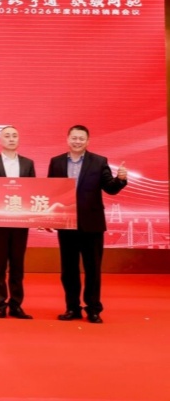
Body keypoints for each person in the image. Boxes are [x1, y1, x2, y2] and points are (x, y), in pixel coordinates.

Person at [47, 125, 127, 324]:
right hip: (66, 224)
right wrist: (47, 218)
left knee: (93, 269)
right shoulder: (56, 162)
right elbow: (50, 192)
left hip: (92, 225)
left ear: (88, 141)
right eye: (74, 138)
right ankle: (72, 308)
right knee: (68, 270)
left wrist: (120, 180)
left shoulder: (99, 161)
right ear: (68, 139)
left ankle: (93, 309)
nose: (77, 142)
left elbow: (110, 188)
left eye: (81, 138)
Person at [0, 126, 36, 319]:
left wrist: (36, 216)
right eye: (7, 136)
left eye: (14, 136)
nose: (11, 139)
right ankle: (0, 304)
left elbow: (32, 191)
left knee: (17, 265)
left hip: (21, 221)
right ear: (0, 140)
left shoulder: (28, 164)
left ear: (18, 140)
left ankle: (16, 304)